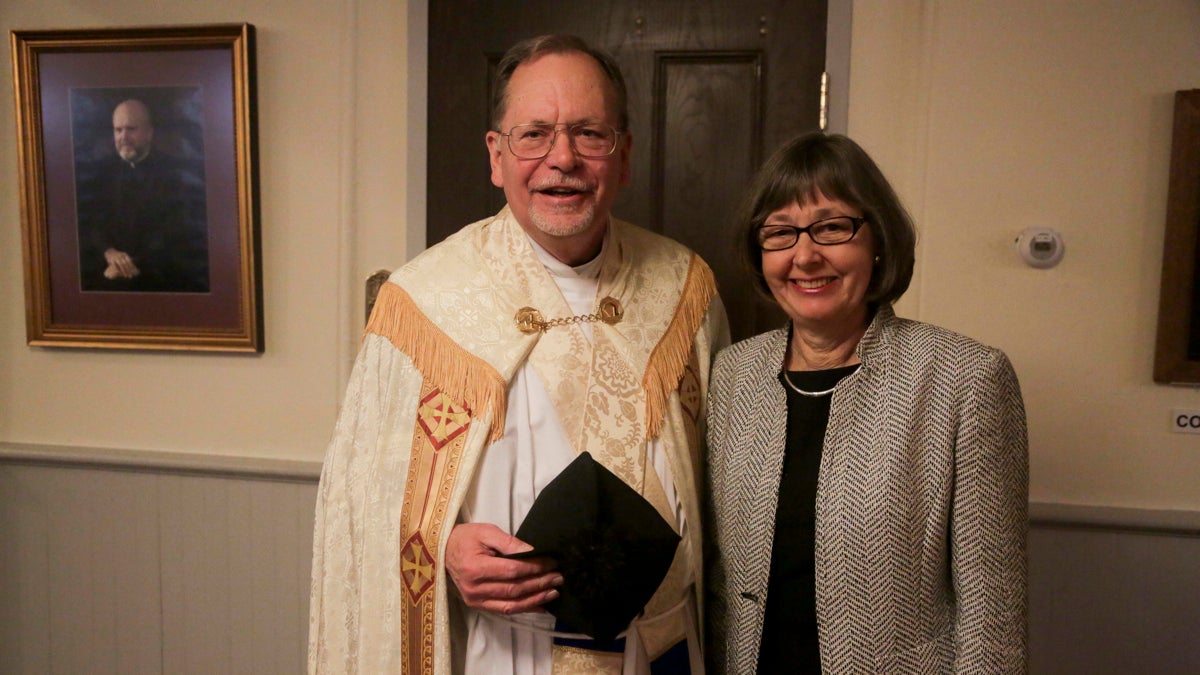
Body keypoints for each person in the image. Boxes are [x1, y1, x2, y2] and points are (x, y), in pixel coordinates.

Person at [309, 34, 728, 674]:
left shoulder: (684, 289)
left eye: (590, 134)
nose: (562, 159)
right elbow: (354, 512)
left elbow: (723, 492)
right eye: (534, 134)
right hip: (506, 655)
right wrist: (440, 549)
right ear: (496, 156)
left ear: (624, 156)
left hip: (659, 653)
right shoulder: (422, 303)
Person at [704, 132, 1028, 673]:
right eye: (780, 233)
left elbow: (991, 614)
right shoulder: (733, 375)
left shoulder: (964, 378)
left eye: (832, 227)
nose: (805, 256)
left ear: (877, 239)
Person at [76, 97, 209, 292]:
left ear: (149, 133)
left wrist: (130, 264)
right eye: (118, 130)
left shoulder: (174, 174)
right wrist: (109, 252)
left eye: (131, 129)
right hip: (106, 274)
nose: (123, 137)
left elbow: (176, 233)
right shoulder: (100, 173)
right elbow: (91, 224)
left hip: (159, 277)